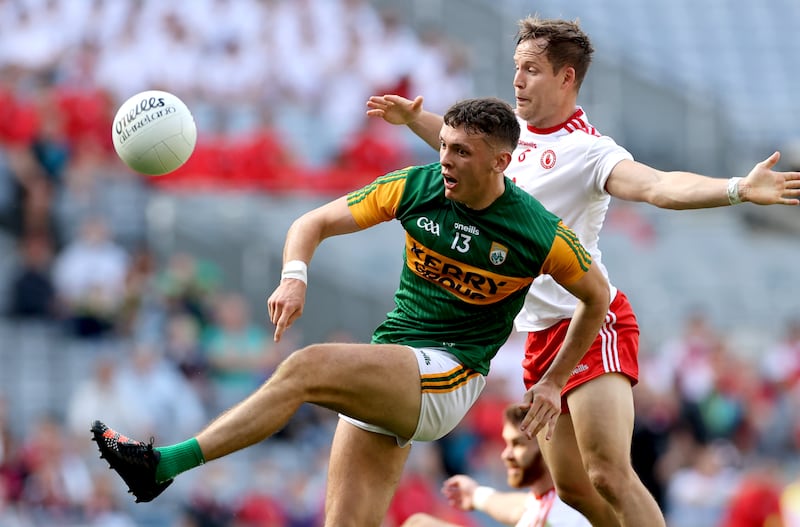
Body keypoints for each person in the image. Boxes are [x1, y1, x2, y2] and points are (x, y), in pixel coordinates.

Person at [90, 97, 611, 527]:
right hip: (393, 364)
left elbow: (597, 297)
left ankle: (162, 465)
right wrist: (294, 276)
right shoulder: (418, 186)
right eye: (445, 145)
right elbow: (311, 223)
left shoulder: (538, 231)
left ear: (501, 162)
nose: (446, 159)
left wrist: (553, 380)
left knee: (305, 366)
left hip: (450, 374)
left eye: (462, 152)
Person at [365, 16, 800, 527]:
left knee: (608, 474)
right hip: (537, 333)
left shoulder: (590, 150)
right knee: (573, 489)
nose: (517, 80)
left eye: (530, 70)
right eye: (515, 68)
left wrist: (736, 189)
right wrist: (414, 119)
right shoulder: (508, 132)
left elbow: (657, 186)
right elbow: (455, 141)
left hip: (591, 323)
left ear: (566, 77)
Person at [402, 404, 590, 527]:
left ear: (549, 447)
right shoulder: (537, 504)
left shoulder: (582, 503)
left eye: (517, 444)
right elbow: (520, 507)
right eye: (506, 444)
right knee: (418, 523)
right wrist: (475, 494)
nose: (505, 454)